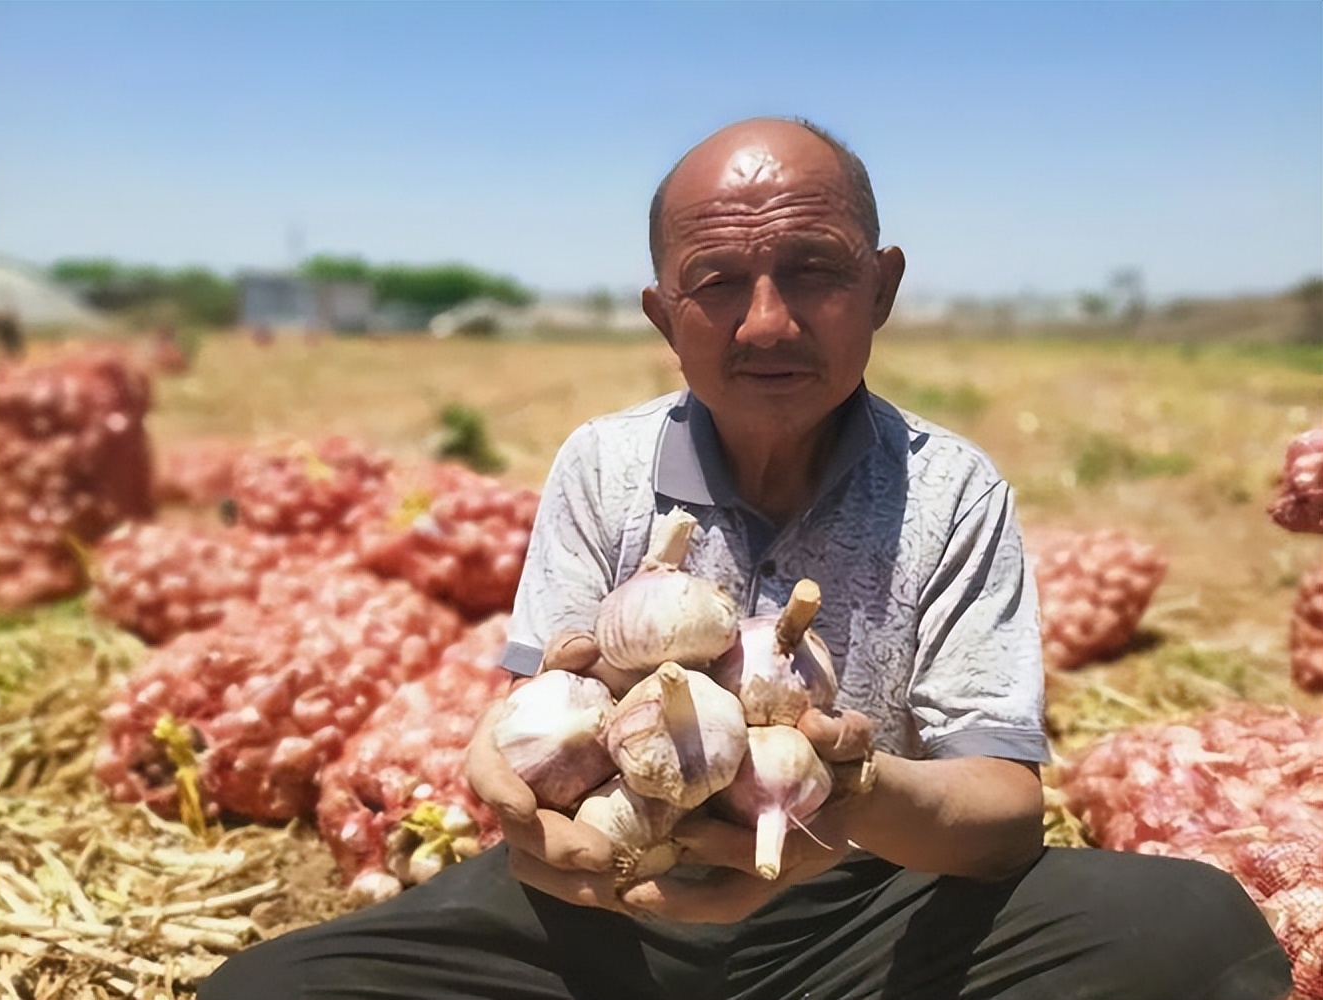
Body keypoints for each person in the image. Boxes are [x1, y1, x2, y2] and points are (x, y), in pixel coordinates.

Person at [199, 117, 1291, 1000]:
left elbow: (1002, 812)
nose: (765, 322)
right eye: (716, 280)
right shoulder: (601, 464)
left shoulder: (952, 488)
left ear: (881, 288)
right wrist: (515, 800)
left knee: (1196, 927)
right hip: (609, 904)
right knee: (265, 988)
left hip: (867, 903)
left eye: (812, 269)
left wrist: (845, 791)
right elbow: (545, 720)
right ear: (662, 314)